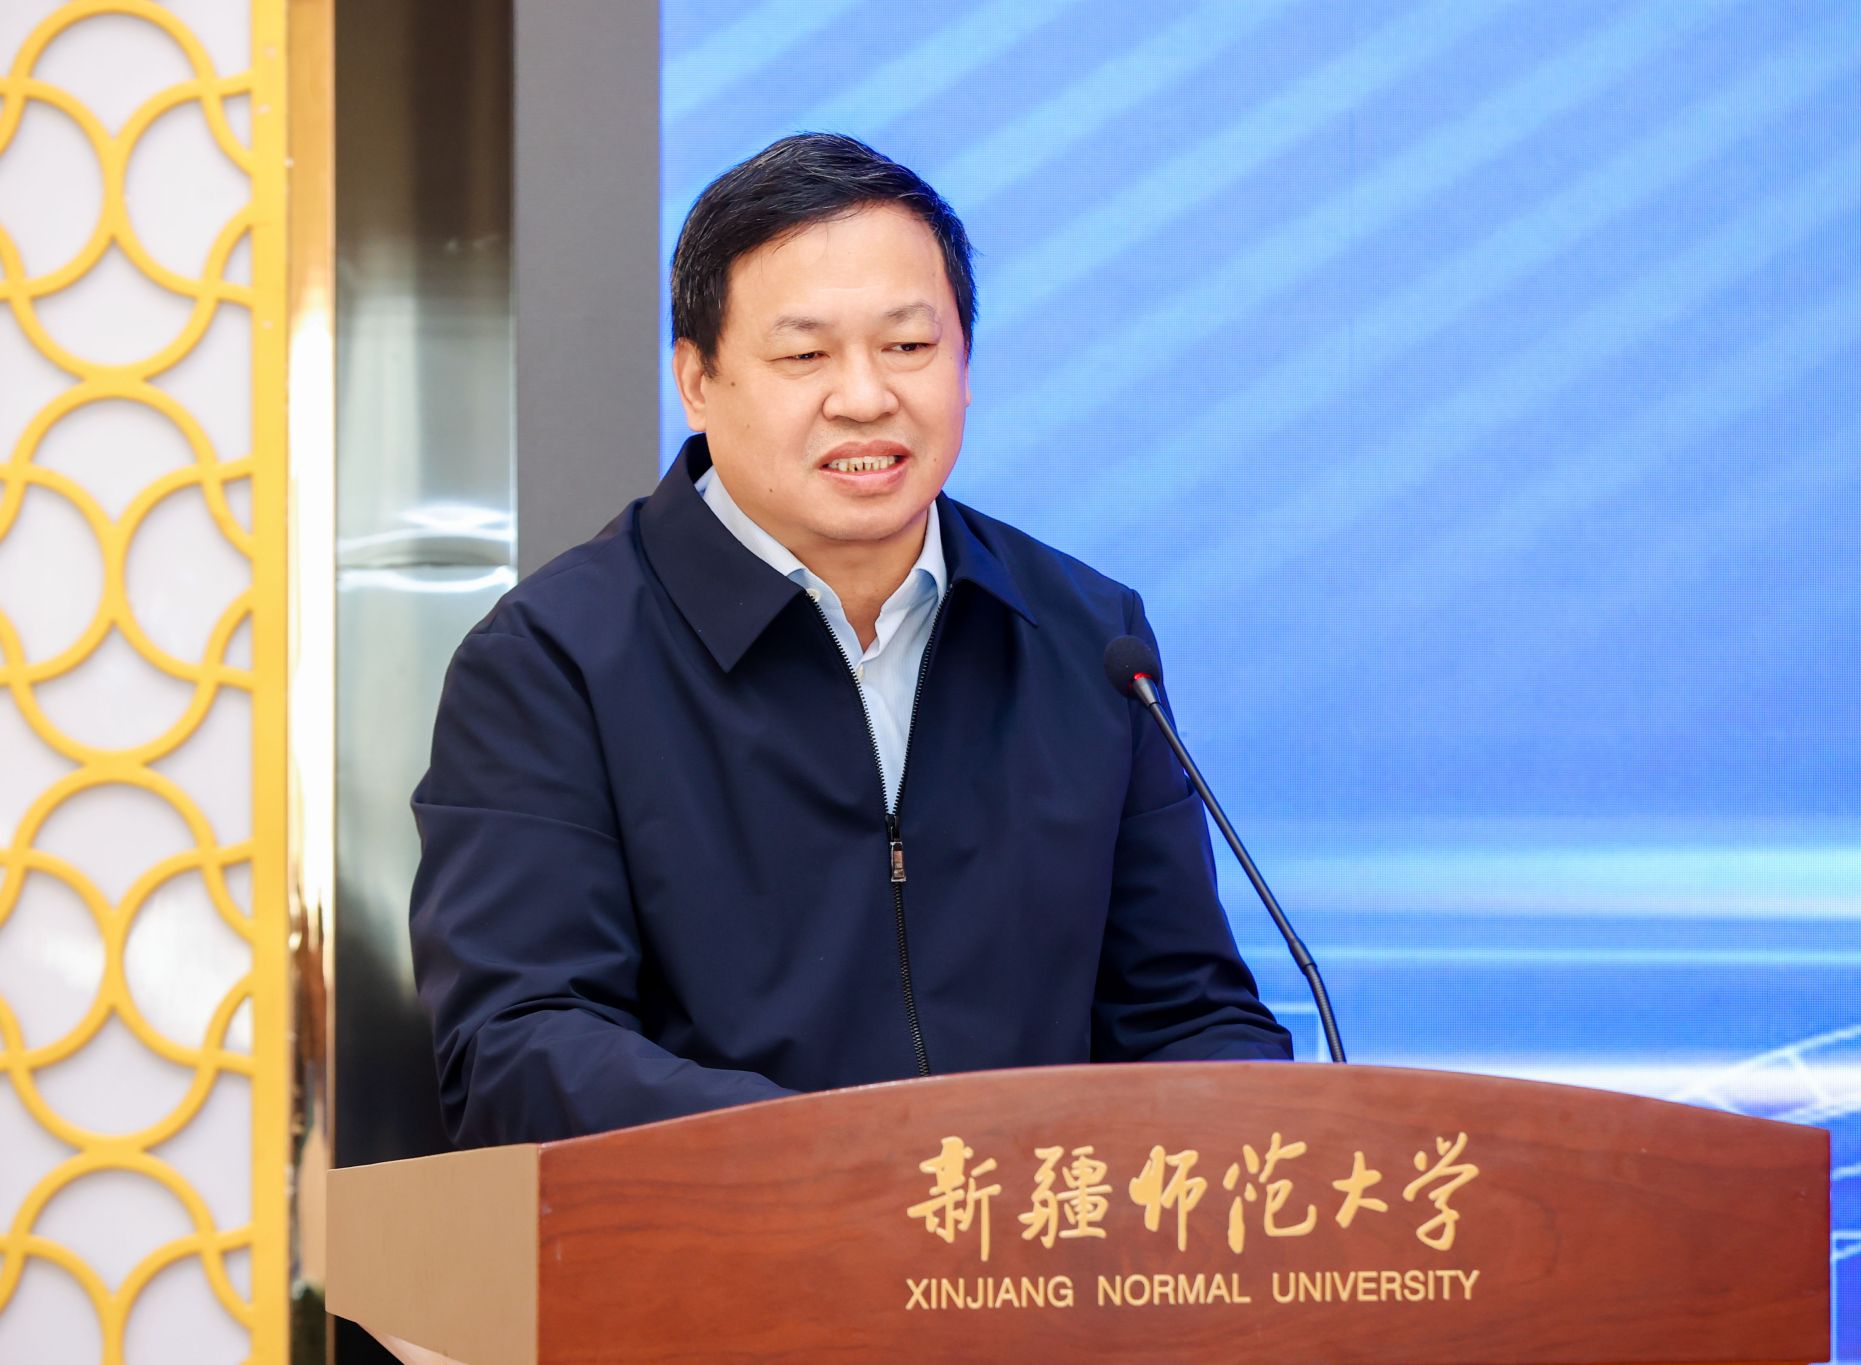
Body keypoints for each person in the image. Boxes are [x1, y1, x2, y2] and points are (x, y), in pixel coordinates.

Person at [409, 132, 1291, 1148]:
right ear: (695, 379)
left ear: (965, 366)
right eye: (805, 355)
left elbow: (1185, 1015)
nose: (866, 398)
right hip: (724, 1237)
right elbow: (520, 1048)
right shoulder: (553, 662)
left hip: (1034, 1242)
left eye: (908, 347)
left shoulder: (1087, 638)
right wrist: (848, 1169)